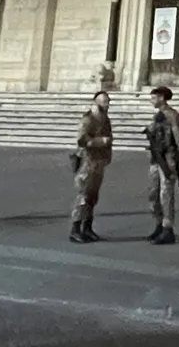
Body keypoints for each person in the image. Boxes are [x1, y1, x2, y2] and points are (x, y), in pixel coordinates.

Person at [144, 86, 179, 245]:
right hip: (156, 158)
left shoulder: (172, 115)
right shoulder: (157, 116)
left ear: (162, 98)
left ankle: (167, 229)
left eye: (154, 97)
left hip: (167, 159)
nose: (151, 100)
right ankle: (159, 225)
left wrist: (175, 159)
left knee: (166, 194)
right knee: (153, 193)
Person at [70, 90, 113, 244]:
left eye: (108, 101)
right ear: (96, 102)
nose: (107, 104)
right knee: (83, 195)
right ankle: (75, 229)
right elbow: (81, 139)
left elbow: (110, 137)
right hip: (87, 162)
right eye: (104, 101)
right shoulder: (88, 119)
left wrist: (108, 154)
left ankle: (87, 227)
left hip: (99, 162)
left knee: (93, 197)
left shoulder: (105, 119)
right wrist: (100, 142)